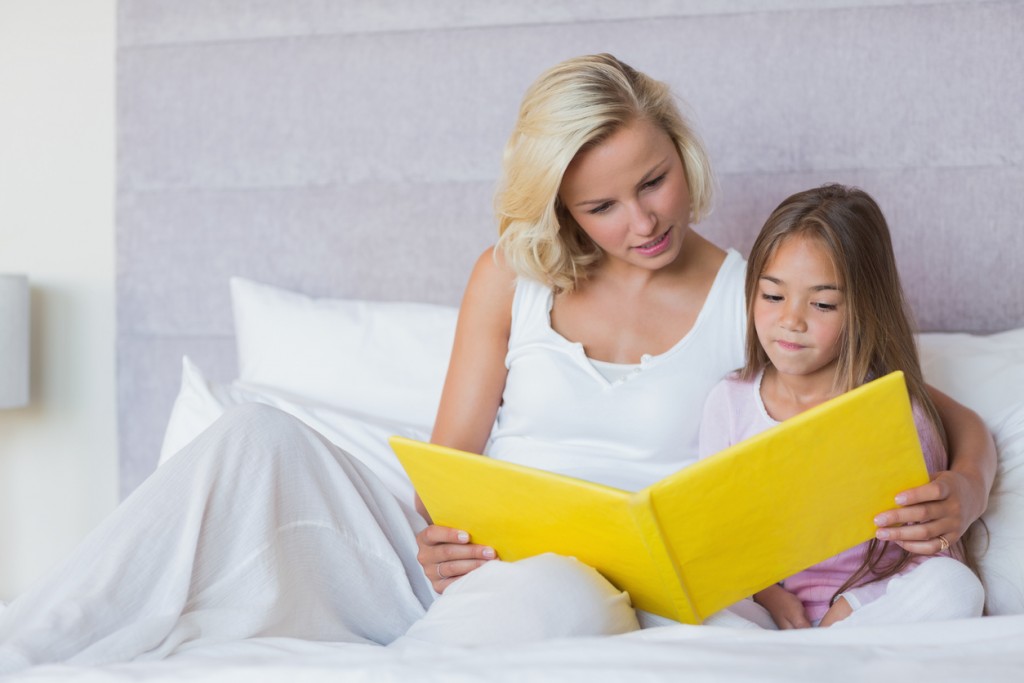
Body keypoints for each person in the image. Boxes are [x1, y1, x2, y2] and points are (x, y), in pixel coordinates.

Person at [0, 54, 995, 671]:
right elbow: (450, 466)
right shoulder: (508, 276)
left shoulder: (758, 291)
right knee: (255, 430)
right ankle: (27, 641)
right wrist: (438, 531)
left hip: (618, 584)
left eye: (652, 182)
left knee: (554, 591)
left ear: (680, 156)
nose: (641, 220)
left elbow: (927, 402)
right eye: (601, 205)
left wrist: (960, 483)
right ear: (559, 205)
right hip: (470, 568)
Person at [697, 184, 985, 629]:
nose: (791, 321)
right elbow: (716, 539)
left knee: (955, 586)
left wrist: (856, 605)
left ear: (862, 311)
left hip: (865, 614)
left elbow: (929, 548)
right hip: (764, 613)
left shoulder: (896, 413)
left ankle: (822, 657)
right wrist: (767, 595)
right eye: (772, 296)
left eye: (823, 304)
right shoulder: (729, 401)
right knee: (692, 597)